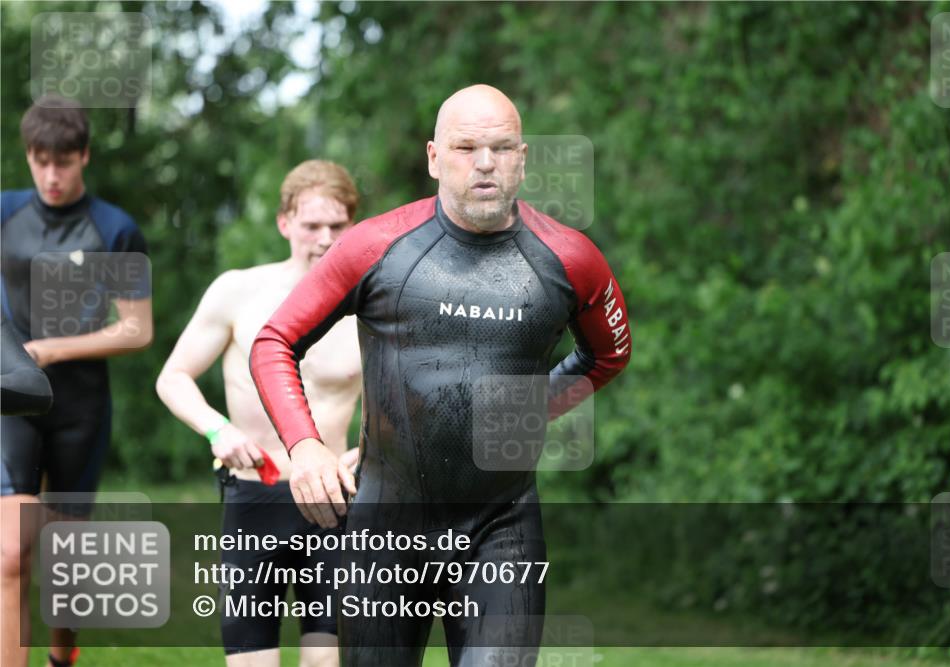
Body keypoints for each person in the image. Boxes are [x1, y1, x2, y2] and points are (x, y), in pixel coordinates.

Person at [249, 85, 631, 666]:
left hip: (500, 531)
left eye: (501, 148)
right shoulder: (376, 247)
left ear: (523, 158)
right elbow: (275, 341)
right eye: (465, 147)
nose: (484, 163)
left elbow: (607, 356)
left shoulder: (570, 258)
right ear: (434, 157)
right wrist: (304, 447)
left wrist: (526, 410)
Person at [156, 160, 363, 666]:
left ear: (353, 227)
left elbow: (408, 396)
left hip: (334, 502)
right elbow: (173, 376)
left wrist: (373, 449)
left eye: (337, 226)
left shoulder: (370, 305)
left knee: (326, 662)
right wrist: (216, 429)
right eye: (312, 225)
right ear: (284, 223)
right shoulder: (238, 291)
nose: (324, 238)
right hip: (253, 495)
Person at [1, 96, 154, 667]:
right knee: (11, 555)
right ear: (29, 156)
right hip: (11, 404)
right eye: (40, 161)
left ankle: (62, 658)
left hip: (80, 407)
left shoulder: (113, 229)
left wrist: (48, 349)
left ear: (84, 156)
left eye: (63, 162)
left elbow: (137, 330)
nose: (51, 175)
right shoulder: (5, 213)